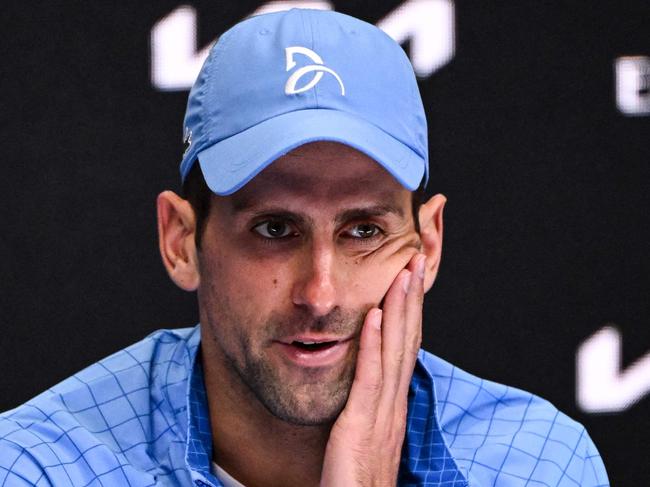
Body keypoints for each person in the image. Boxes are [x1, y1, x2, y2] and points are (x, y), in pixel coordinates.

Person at [0, 8, 609, 487]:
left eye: (364, 232)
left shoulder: (535, 465)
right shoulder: (40, 467)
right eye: (274, 230)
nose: (320, 293)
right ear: (181, 241)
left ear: (426, 245)